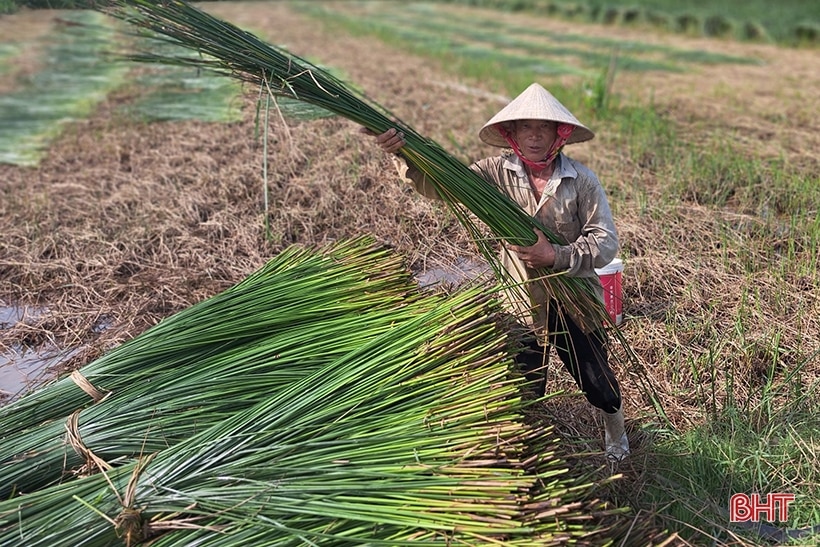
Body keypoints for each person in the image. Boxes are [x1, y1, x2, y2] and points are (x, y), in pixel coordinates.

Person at [366, 82, 629, 462]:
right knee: (525, 383)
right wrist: (404, 153)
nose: (535, 136)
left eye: (544, 127)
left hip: (573, 297)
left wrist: (553, 254)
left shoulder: (581, 180)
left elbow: (605, 242)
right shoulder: (493, 172)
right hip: (520, 298)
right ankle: (530, 449)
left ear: (561, 133)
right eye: (526, 127)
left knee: (596, 380)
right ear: (513, 133)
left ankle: (615, 434)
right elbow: (443, 185)